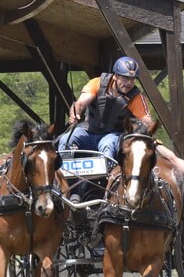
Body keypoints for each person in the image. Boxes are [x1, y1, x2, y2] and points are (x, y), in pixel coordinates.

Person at [57, 56, 154, 201]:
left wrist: (149, 129)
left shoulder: (136, 97)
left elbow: (146, 119)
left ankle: (102, 193)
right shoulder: (97, 83)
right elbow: (81, 103)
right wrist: (75, 113)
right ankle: (66, 188)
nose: (128, 83)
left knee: (107, 147)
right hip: (88, 130)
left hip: (111, 135)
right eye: (125, 78)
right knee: (65, 141)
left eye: (132, 80)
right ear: (115, 76)